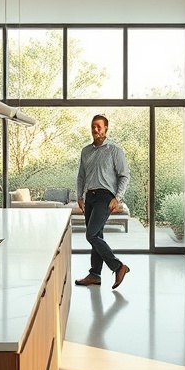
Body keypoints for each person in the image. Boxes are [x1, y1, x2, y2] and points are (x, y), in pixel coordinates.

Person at [74, 114, 131, 289]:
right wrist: (80, 196)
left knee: (91, 234)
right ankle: (95, 275)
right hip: (89, 197)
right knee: (96, 235)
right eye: (93, 126)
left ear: (106, 128)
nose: (95, 129)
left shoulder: (114, 150)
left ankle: (118, 266)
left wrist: (117, 198)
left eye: (99, 126)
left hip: (105, 197)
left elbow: (124, 176)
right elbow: (81, 176)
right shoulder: (86, 151)